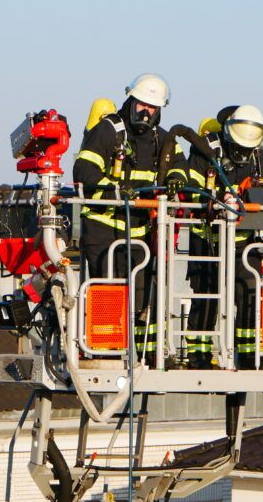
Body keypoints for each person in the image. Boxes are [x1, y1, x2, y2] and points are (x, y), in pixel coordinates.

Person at [73, 73, 188, 359]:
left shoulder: (163, 139)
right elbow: (84, 171)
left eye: (152, 107)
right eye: (141, 104)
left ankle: (148, 357)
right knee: (108, 293)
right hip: (103, 229)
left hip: (139, 233)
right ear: (131, 101)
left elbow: (181, 165)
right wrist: (115, 191)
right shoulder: (108, 130)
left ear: (159, 110)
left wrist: (176, 178)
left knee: (143, 296)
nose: (145, 112)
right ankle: (106, 354)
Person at [183, 104, 263, 368]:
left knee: (249, 293)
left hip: (244, 243)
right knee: (206, 296)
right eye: (240, 148)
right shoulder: (205, 149)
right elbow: (190, 187)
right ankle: (198, 357)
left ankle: (248, 357)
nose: (245, 153)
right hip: (208, 240)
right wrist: (217, 198)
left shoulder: (258, 155)